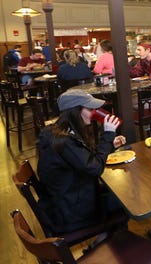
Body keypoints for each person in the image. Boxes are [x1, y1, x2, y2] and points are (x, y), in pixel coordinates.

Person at [36, 90, 125, 234]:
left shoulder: (56, 132)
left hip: (66, 201)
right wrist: (108, 135)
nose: (94, 113)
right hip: (72, 213)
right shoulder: (63, 141)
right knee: (124, 202)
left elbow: (84, 159)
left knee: (116, 194)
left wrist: (109, 145)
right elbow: (95, 168)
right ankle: (108, 247)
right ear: (75, 111)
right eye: (90, 109)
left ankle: (105, 242)